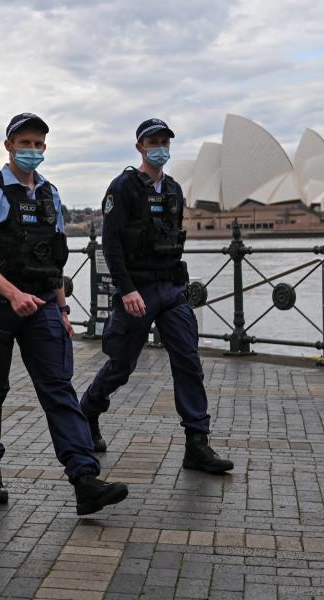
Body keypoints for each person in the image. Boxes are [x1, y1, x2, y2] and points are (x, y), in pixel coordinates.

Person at [0, 113, 128, 516]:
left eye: (38, 144)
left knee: (58, 389)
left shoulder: (51, 195)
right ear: (9, 145)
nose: (32, 150)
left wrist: (63, 308)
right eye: (25, 143)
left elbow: (54, 259)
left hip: (42, 307)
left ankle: (84, 479)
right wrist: (12, 293)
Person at [79, 118, 233, 474]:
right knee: (121, 365)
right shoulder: (123, 188)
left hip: (171, 289)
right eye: (153, 141)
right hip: (138, 289)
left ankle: (197, 442)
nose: (160, 146)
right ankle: (88, 411)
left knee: (188, 362)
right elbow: (112, 243)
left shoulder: (175, 190)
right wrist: (127, 289)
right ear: (140, 147)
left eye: (164, 141)